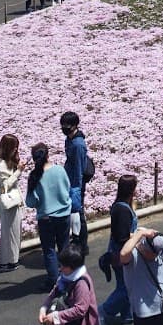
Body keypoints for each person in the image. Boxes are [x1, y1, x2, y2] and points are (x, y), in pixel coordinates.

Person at [26, 143, 72, 291]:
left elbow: (30, 202)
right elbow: (68, 188)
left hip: (46, 218)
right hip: (64, 214)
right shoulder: (59, 170)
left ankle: (53, 280)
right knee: (64, 246)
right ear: (47, 155)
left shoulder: (34, 176)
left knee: (49, 250)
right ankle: (68, 276)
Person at [98, 174, 138, 325]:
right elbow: (122, 237)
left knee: (125, 284)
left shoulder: (122, 206)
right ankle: (103, 311)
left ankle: (127, 313)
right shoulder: (122, 210)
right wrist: (137, 237)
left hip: (119, 252)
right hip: (121, 253)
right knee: (126, 287)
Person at [61, 111, 92, 258]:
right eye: (62, 125)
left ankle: (82, 245)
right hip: (69, 180)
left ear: (75, 125)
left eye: (67, 125)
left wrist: (77, 189)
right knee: (75, 214)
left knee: (78, 213)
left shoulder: (78, 144)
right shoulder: (69, 139)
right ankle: (78, 242)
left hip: (76, 184)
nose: (64, 127)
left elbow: (79, 168)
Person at [0, 134, 25, 271]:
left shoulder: (7, 162)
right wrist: (18, 172)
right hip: (7, 203)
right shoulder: (0, 166)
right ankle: (5, 262)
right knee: (9, 233)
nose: (16, 150)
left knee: (14, 232)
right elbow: (6, 185)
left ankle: (12, 260)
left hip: (13, 201)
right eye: (14, 148)